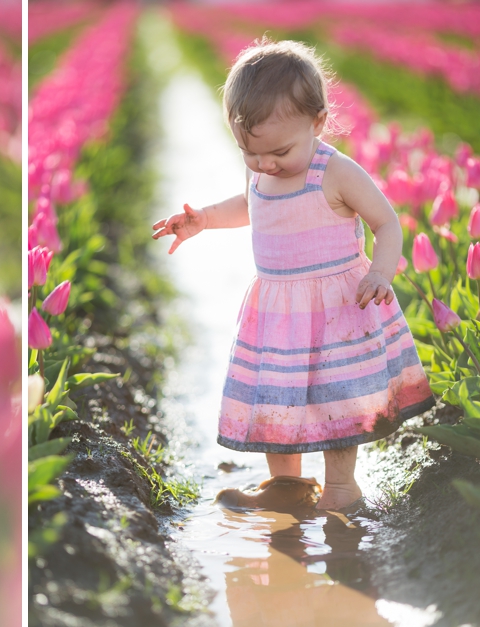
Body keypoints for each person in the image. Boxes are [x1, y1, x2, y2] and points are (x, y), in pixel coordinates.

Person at [152, 40, 434, 512]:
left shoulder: (336, 173)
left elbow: (386, 222)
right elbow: (249, 205)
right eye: (250, 153)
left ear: (318, 122)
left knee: (337, 401)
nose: (265, 165)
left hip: (336, 309)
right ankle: (287, 484)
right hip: (279, 310)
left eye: (279, 151)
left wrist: (382, 273)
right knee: (275, 396)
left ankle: (342, 486)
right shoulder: (262, 172)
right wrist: (203, 218)